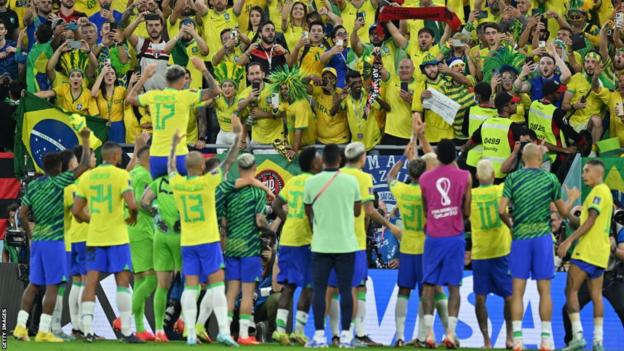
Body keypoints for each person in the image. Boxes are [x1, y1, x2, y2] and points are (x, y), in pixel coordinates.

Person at [167, 114, 243, 346]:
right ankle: (223, 331)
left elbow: (171, 167)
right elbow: (229, 161)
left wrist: (172, 146)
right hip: (209, 240)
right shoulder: (208, 181)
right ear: (202, 166)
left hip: (188, 242)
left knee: (190, 286)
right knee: (217, 285)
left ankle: (190, 331)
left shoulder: (177, 183)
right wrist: (238, 135)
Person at [12, 128, 91, 343]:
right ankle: (45, 330)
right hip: (55, 241)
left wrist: (30, 230)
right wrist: (85, 141)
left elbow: (22, 212)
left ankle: (20, 327)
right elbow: (84, 167)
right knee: (53, 285)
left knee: (33, 284)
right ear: (58, 167)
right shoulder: (60, 182)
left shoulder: (34, 186)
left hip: (37, 241)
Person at [498, 143, 579, 351]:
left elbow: (501, 210)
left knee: (517, 291)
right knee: (545, 291)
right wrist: (571, 199)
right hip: (542, 238)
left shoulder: (512, 178)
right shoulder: (549, 179)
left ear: (523, 159)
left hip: (520, 237)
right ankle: (546, 340)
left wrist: (512, 226)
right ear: (540, 159)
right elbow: (562, 213)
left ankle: (517, 340)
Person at [327, 141, 399, 346]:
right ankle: (357, 333)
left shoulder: (334, 175)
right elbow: (368, 210)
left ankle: (334, 335)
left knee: (333, 287)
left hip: (332, 239)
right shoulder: (364, 177)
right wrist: (390, 226)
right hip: (354, 241)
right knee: (358, 287)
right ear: (362, 158)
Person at [71, 140, 140, 343]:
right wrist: (133, 215)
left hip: (94, 237)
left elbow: (76, 210)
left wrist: (90, 220)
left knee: (90, 282)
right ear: (117, 156)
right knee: (123, 281)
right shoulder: (121, 175)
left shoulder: (87, 177)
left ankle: (87, 330)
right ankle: (126, 331)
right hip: (117, 237)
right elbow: (132, 203)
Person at [303, 144, 361, 348]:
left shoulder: (311, 182)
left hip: (321, 244)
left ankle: (319, 336)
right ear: (340, 159)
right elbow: (357, 211)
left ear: (322, 160)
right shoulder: (351, 181)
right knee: (346, 290)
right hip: (346, 244)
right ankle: (346, 336)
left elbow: (308, 213)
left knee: (319, 291)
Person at [419, 139, 471, 348]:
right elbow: (467, 211)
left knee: (429, 285)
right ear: (455, 156)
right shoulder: (465, 176)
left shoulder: (425, 179)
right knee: (454, 286)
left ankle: (429, 333)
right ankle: (450, 333)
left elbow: (425, 210)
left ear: (438, 156)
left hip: (433, 236)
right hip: (455, 236)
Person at [127, 62, 219, 179]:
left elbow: (130, 98)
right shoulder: (186, 96)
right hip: (179, 155)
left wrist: (145, 77)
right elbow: (215, 91)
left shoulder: (153, 95)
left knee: (158, 191)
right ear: (182, 80)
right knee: (181, 192)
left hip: (157, 155)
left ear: (166, 80)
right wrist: (203, 69)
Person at [557, 160, 613, 351]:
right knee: (597, 296)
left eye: (587, 171)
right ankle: (598, 341)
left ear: (599, 172)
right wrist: (569, 206)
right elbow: (579, 221)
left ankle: (578, 335)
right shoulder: (602, 193)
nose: (583, 174)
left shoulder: (599, 191)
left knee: (570, 291)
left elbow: (590, 220)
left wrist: (568, 240)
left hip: (587, 250)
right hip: (601, 253)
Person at [218, 153, 273, 345]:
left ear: (239, 169)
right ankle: (243, 334)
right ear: (255, 167)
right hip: (249, 247)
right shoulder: (257, 193)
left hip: (232, 245)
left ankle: (224, 331)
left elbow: (222, 219)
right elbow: (259, 220)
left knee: (231, 292)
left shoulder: (228, 190)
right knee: (248, 293)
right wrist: (269, 229)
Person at [271, 147, 322, 346]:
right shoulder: (317, 183)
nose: (322, 162)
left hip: (290, 238)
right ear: (313, 163)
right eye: (319, 159)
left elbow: (276, 205)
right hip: (306, 240)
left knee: (294, 287)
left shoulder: (292, 182)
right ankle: (288, 331)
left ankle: (287, 332)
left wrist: (288, 219)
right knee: (305, 287)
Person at [387, 140, 426, 347]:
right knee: (424, 293)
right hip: (425, 248)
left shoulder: (402, 190)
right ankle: (420, 337)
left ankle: (400, 336)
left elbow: (390, 177)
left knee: (404, 291)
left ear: (410, 175)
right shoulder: (428, 192)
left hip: (407, 248)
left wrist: (404, 157)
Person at [470, 159, 513, 349]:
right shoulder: (501, 190)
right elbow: (517, 174)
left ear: (477, 176)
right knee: (509, 296)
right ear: (494, 175)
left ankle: (486, 340)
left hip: (480, 252)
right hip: (501, 250)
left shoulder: (470, 196)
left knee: (480, 296)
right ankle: (510, 337)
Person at [140, 172, 181, 343]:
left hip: (161, 235)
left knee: (163, 286)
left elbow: (144, 202)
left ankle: (159, 331)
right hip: (181, 236)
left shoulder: (159, 182)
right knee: (190, 282)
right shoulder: (186, 182)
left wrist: (156, 218)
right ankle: (189, 327)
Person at [62, 144, 96, 338]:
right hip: (85, 235)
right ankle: (85, 326)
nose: (94, 159)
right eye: (91, 156)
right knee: (86, 280)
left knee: (76, 281)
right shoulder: (85, 179)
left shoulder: (68, 182)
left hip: (72, 236)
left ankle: (76, 325)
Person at [125, 143, 156, 342]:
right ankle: (125, 319)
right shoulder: (145, 176)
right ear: (148, 158)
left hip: (129, 228)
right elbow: (140, 203)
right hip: (143, 229)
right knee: (152, 278)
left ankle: (139, 328)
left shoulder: (131, 173)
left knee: (139, 279)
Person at [123, 11, 168, 91]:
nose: (154, 28)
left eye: (157, 25)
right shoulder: (142, 44)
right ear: (146, 27)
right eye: (150, 25)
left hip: (164, 96)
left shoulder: (168, 46)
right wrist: (138, 20)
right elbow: (126, 34)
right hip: (145, 96)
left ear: (162, 27)